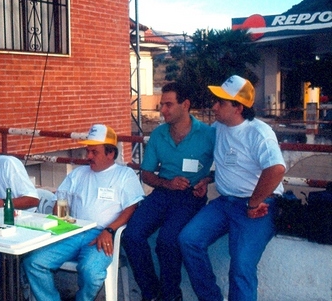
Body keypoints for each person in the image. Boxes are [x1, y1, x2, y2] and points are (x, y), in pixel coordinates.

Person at [179, 75, 286, 301]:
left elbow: (276, 169)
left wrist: (253, 203)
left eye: (221, 102)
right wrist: (207, 179)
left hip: (258, 206)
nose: (214, 106)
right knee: (188, 240)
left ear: (238, 107)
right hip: (225, 202)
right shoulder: (219, 127)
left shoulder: (259, 132)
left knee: (241, 266)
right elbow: (233, 166)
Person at [22, 124, 144, 301]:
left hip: (102, 234)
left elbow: (131, 208)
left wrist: (110, 230)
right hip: (72, 230)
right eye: (88, 151)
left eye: (94, 152)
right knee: (33, 262)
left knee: (91, 271)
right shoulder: (78, 173)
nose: (88, 156)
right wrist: (59, 215)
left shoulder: (124, 175)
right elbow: (60, 202)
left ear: (110, 153)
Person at [122, 82, 215, 301]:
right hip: (163, 193)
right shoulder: (158, 134)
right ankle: (151, 292)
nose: (162, 110)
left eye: (168, 105)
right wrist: (167, 183)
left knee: (168, 241)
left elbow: (224, 169)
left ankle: (171, 296)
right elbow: (146, 174)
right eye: (162, 104)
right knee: (132, 235)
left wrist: (207, 180)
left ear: (186, 105)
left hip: (191, 197)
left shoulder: (208, 134)